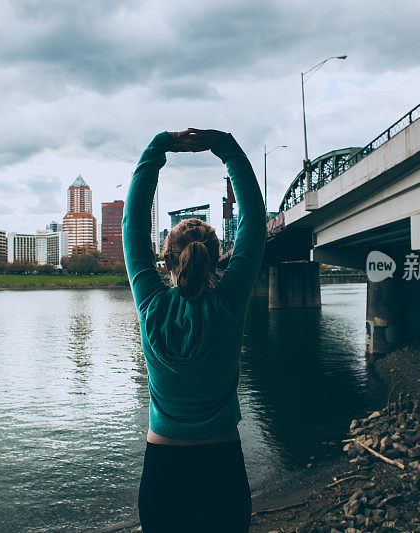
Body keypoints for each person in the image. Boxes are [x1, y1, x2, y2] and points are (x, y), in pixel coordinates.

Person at [122, 128, 266, 532]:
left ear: (165, 260)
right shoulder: (229, 302)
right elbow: (254, 221)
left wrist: (157, 148)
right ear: (219, 257)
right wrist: (226, 146)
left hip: (162, 470)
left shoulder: (150, 303)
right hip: (222, 466)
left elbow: (132, 223)